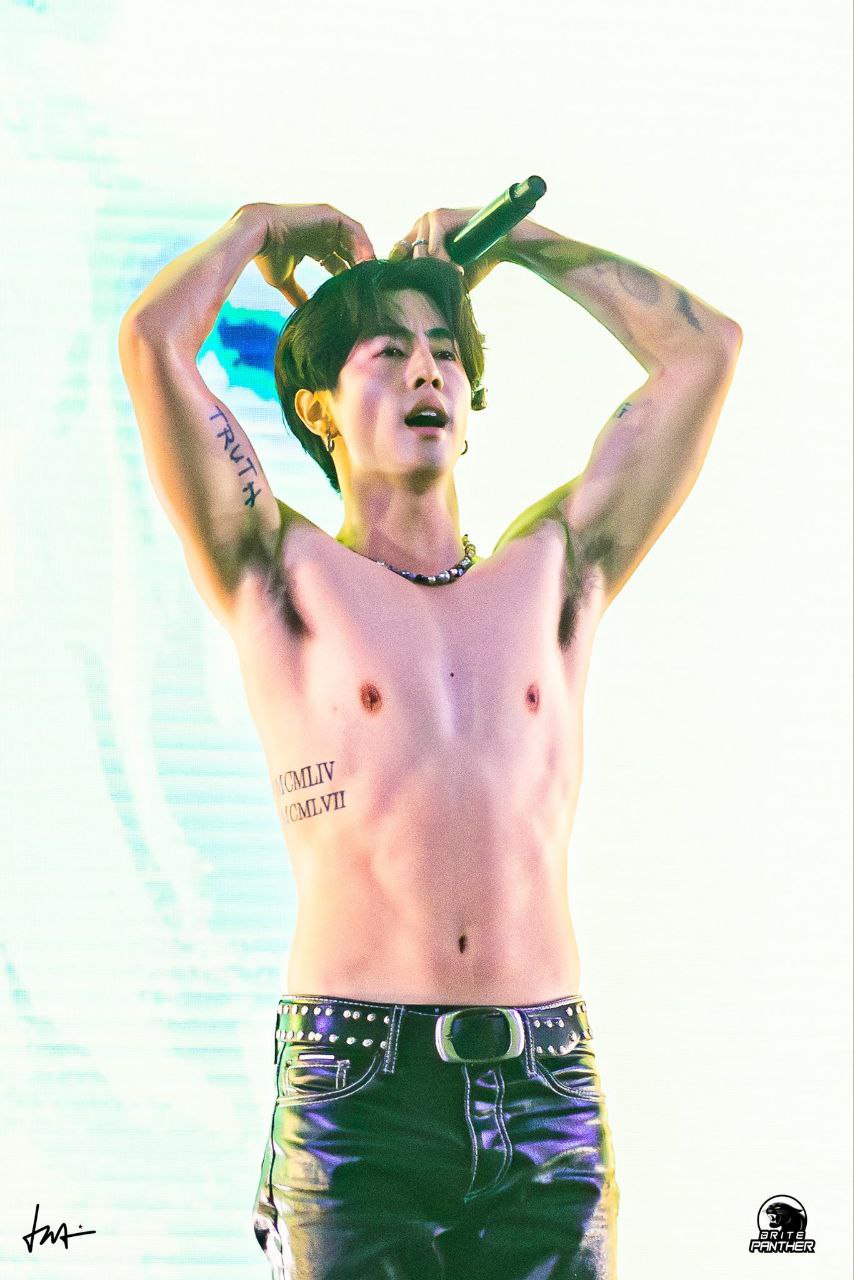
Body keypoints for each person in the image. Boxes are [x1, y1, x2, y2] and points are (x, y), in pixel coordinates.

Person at [117, 199, 742, 1279]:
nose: (426, 371)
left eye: (445, 351)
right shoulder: (279, 572)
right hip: (359, 1096)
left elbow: (704, 352)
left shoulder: (558, 569)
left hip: (548, 1093)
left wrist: (520, 243)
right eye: (388, 350)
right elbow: (151, 344)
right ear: (316, 407)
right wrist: (259, 226)